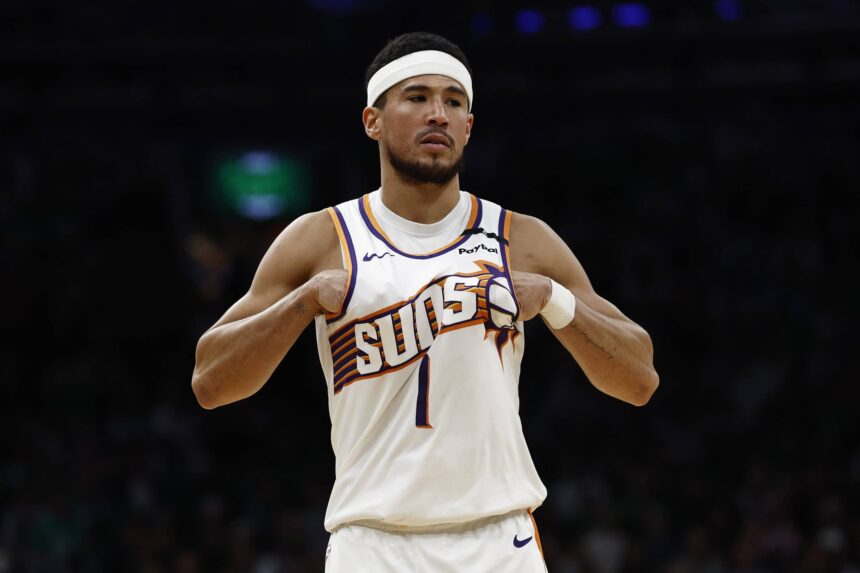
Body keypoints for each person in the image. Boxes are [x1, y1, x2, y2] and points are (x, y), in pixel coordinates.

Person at [191, 31, 659, 572]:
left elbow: (640, 376)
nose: (437, 113)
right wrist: (303, 302)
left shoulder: (520, 239)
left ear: (468, 127)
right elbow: (210, 381)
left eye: (453, 101)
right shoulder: (321, 239)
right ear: (373, 120)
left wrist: (554, 300)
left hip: (498, 541)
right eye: (416, 98)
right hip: (371, 542)